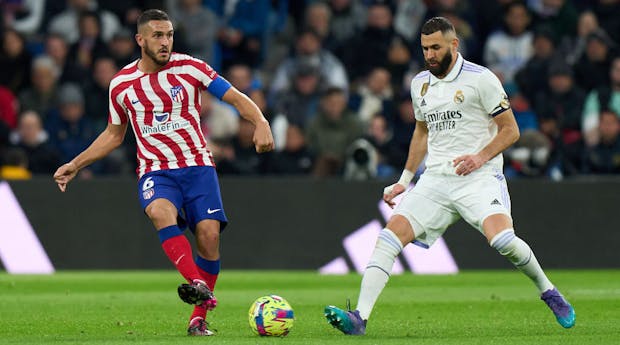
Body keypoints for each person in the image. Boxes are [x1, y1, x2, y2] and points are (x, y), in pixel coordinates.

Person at [324, 17, 575, 336]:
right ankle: (359, 317)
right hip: (436, 180)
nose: (429, 54)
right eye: (425, 48)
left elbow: (511, 131)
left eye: (436, 47)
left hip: (479, 176)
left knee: (503, 241)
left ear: (454, 45)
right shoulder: (419, 84)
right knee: (388, 238)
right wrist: (405, 179)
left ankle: (548, 291)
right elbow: (421, 132)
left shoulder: (481, 79)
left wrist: (479, 156)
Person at [53, 9, 274, 336]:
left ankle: (197, 318)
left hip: (198, 166)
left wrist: (261, 122)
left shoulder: (191, 68)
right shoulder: (121, 84)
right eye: (157, 35)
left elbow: (236, 98)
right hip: (157, 171)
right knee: (159, 211)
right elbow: (114, 135)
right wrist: (76, 163)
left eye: (169, 34)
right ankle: (199, 284)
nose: (165, 42)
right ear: (140, 40)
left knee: (209, 236)